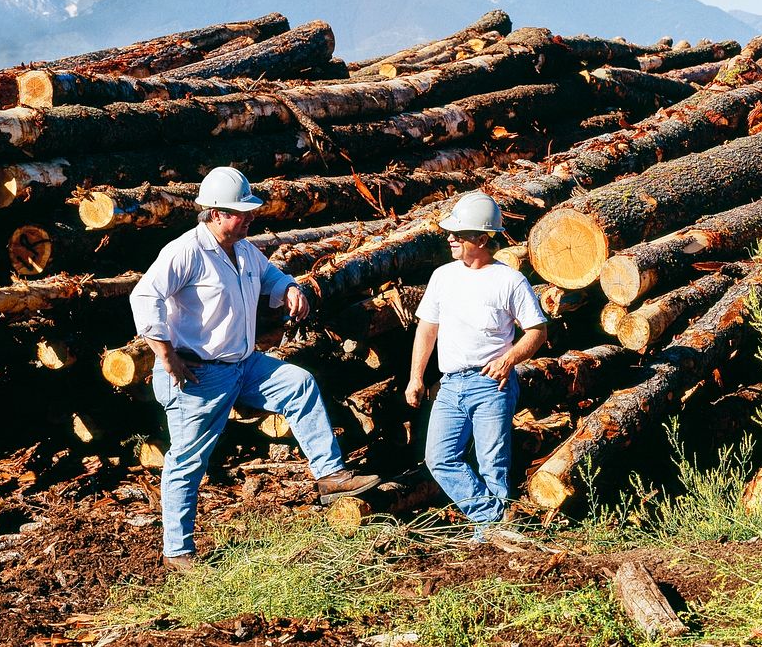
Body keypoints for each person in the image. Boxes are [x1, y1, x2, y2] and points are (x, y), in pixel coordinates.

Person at [130, 165, 380, 570]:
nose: (248, 218)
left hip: (244, 365)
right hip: (199, 374)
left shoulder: (245, 249)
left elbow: (271, 277)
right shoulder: (186, 251)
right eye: (239, 212)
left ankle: (330, 475)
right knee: (187, 460)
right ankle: (177, 551)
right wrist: (166, 355)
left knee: (298, 384)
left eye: (249, 211)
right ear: (214, 213)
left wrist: (290, 289)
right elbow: (145, 297)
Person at [405, 191, 547, 534]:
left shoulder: (509, 280)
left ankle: (490, 539)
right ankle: (493, 520)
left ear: (482, 239)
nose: (450, 239)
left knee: (492, 464)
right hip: (451, 384)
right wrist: (416, 377)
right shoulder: (443, 276)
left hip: (491, 383)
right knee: (439, 458)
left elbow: (537, 330)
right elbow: (428, 327)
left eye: (460, 234)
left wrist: (510, 358)